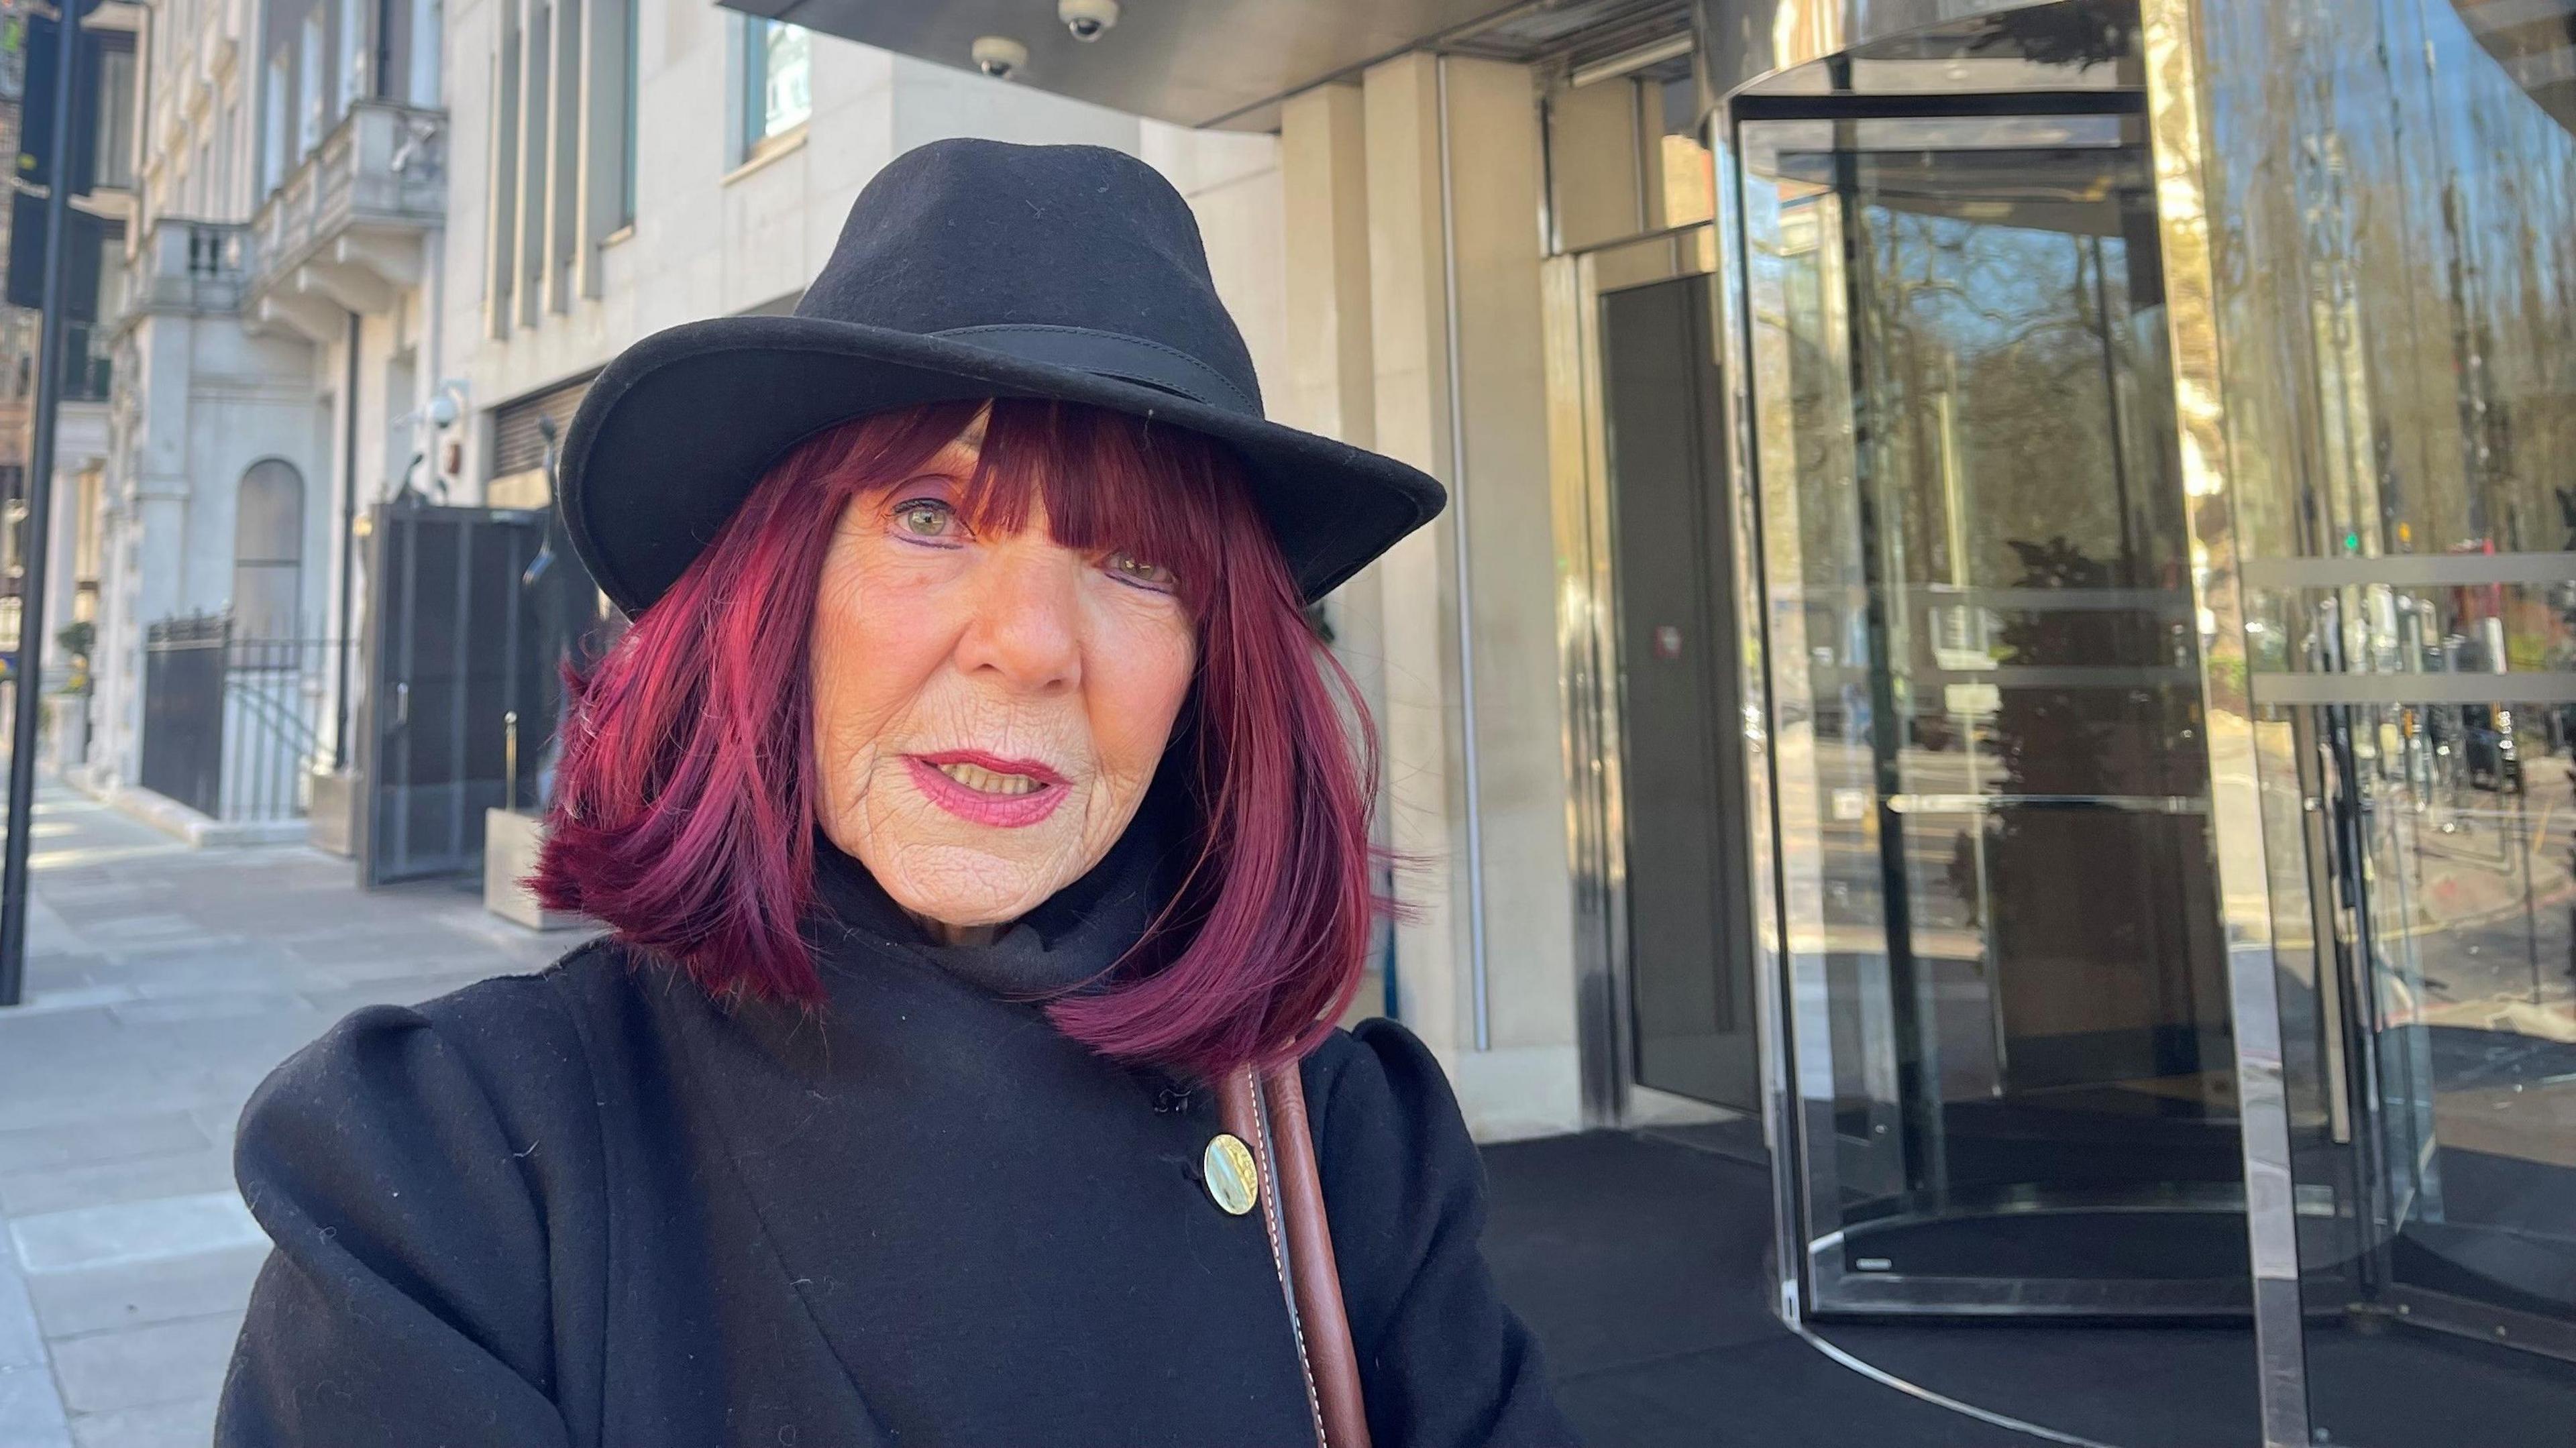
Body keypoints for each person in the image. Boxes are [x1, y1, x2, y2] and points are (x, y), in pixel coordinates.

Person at [214, 139, 1575, 1447]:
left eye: (1140, 561)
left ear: (1210, 666)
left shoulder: (1352, 1156)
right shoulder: (459, 1170)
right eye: (932, 517)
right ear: (774, 595)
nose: (1033, 642)